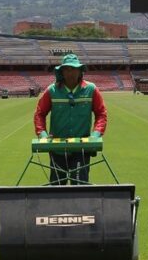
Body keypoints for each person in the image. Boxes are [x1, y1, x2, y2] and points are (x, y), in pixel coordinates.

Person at [33, 53, 107, 185]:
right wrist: (43, 135)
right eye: (67, 69)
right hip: (57, 148)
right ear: (61, 72)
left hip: (82, 148)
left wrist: (95, 135)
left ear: (80, 71)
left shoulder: (91, 89)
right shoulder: (52, 91)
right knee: (56, 186)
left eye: (74, 69)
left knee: (79, 186)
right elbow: (39, 114)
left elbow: (101, 113)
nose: (70, 72)